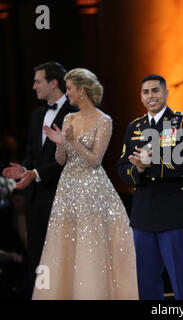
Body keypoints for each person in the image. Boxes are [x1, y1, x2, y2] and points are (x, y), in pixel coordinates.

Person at [32, 68, 138, 299]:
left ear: (82, 90)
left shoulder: (104, 120)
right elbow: (61, 160)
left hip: (92, 190)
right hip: (67, 188)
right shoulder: (69, 118)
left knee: (89, 246)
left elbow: (94, 160)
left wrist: (73, 142)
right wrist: (60, 143)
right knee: (63, 245)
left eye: (69, 88)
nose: (66, 92)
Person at [117, 74, 183, 300]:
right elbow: (122, 167)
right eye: (146, 92)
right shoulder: (134, 126)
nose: (151, 96)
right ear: (141, 96)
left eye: (155, 90)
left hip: (174, 211)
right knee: (145, 280)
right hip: (143, 213)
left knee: (182, 278)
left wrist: (152, 162)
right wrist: (139, 169)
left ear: (165, 93)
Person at [2, 62, 79, 297]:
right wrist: (24, 169)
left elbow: (71, 159)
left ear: (53, 83)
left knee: (65, 255)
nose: (34, 86)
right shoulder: (36, 115)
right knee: (38, 254)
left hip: (64, 196)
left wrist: (35, 174)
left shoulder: (75, 112)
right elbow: (31, 154)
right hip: (35, 198)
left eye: (38, 81)